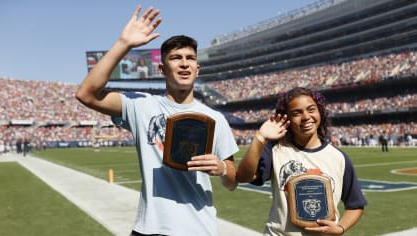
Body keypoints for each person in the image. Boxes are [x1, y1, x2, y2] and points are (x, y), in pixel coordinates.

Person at [76, 5, 239, 236]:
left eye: (190, 58)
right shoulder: (141, 105)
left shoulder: (215, 119)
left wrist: (223, 168)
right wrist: (124, 43)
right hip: (149, 228)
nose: (184, 63)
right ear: (162, 68)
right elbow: (86, 94)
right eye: (176, 58)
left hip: (199, 229)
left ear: (197, 69)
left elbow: (232, 182)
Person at [237, 87, 366, 235]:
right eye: (296, 113)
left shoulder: (339, 158)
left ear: (320, 112)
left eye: (311, 109)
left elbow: (356, 204)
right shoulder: (276, 150)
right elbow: (243, 176)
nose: (306, 117)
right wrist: (260, 137)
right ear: (287, 119)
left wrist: (341, 228)